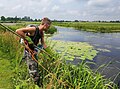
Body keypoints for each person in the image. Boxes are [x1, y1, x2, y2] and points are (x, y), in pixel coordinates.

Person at [16, 17, 51, 86]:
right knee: (33, 68)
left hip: (33, 51)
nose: (49, 28)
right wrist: (28, 39)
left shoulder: (41, 33)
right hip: (29, 51)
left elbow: (43, 44)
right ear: (45, 25)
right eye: (49, 26)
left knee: (32, 64)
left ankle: (21, 74)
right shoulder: (34, 29)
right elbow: (18, 31)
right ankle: (36, 85)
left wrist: (49, 52)